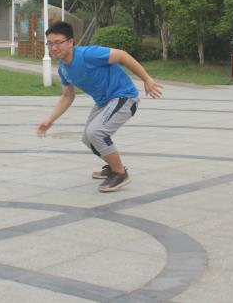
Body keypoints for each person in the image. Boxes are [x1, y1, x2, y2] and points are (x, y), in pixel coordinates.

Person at [36, 21, 163, 192]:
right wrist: (50, 119)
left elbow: (122, 55)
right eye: (50, 43)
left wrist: (146, 79)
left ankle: (120, 173)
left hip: (124, 97)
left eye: (58, 42)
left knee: (95, 133)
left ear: (70, 42)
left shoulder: (88, 54)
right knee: (87, 139)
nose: (53, 48)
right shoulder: (63, 69)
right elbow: (67, 96)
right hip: (104, 102)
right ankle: (113, 166)